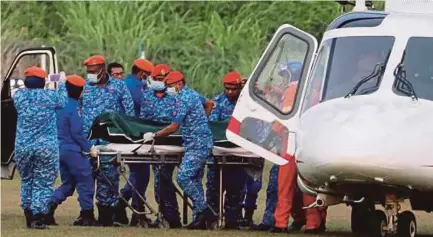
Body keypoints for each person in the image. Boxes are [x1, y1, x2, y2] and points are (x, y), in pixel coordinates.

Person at [141, 71, 215, 229]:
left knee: (183, 177)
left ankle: (203, 211)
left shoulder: (183, 98)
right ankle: (200, 220)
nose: (168, 90)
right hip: (196, 141)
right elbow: (209, 103)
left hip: (198, 143)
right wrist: (201, 121)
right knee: (194, 179)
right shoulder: (191, 93)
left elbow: (174, 127)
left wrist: (154, 135)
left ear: (179, 84)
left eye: (170, 86)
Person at [81, 55, 135, 226]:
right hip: (87, 140)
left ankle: (107, 215)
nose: (90, 75)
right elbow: (77, 110)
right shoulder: (84, 87)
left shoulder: (119, 86)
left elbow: (129, 111)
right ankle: (86, 214)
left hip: (109, 140)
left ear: (103, 70)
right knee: (86, 177)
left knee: (109, 178)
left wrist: (127, 137)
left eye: (93, 72)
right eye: (88, 72)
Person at [13, 66, 67, 229]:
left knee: (27, 179)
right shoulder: (50, 96)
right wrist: (61, 82)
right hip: (45, 147)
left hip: (23, 147)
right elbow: (63, 101)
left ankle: (28, 213)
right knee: (43, 182)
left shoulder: (19, 96)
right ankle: (38, 217)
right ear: (43, 81)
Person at [45, 75, 99, 226]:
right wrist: (89, 149)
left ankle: (48, 207)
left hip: (59, 149)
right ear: (80, 91)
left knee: (68, 184)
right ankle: (86, 215)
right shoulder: (74, 107)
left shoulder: (60, 106)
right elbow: (76, 133)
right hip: (72, 150)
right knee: (86, 180)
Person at [139, 65, 181, 228]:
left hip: (173, 139)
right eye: (157, 79)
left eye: (163, 79)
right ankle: (168, 216)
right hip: (155, 141)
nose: (160, 82)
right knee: (160, 180)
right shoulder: (147, 95)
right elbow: (143, 119)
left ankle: (171, 216)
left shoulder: (176, 95)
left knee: (164, 178)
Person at [115, 59, 154, 226]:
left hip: (127, 134)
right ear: (142, 73)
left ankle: (123, 206)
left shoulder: (126, 83)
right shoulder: (136, 86)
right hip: (135, 135)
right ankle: (131, 209)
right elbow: (146, 105)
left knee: (137, 174)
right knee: (141, 174)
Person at [205, 71, 245, 229]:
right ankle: (211, 219)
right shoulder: (218, 101)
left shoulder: (246, 102)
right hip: (219, 150)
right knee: (214, 187)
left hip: (238, 151)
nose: (230, 92)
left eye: (234, 89)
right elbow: (213, 124)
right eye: (227, 88)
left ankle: (232, 221)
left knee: (236, 187)